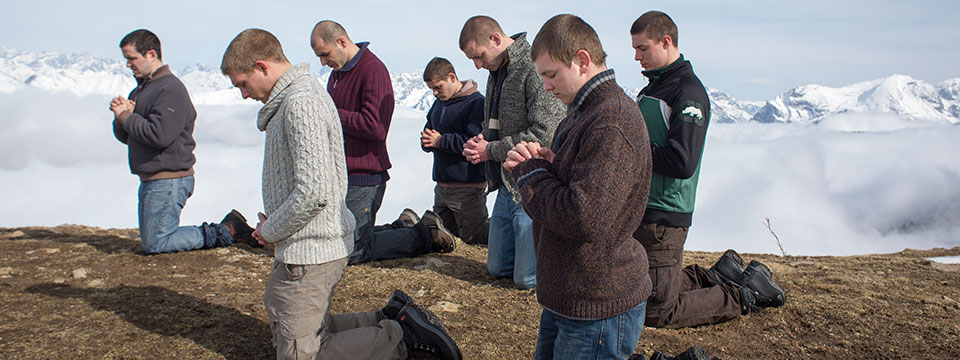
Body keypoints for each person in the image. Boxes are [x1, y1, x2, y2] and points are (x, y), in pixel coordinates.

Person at [220, 28, 461, 360]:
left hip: (312, 248)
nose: (244, 95)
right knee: (294, 329)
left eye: (242, 84)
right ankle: (389, 320)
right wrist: (275, 220)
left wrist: (271, 229)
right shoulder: (299, 96)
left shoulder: (301, 102)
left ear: (261, 67)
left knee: (300, 354)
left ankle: (402, 338)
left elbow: (314, 193)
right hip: (305, 243)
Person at [505, 14, 652, 359]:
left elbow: (585, 217)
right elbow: (582, 186)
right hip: (572, 295)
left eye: (551, 74)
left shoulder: (610, 120)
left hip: (597, 304)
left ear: (582, 61)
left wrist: (532, 173)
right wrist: (545, 164)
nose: (546, 87)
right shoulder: (583, 112)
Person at [629, 11, 785, 329]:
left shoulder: (688, 92)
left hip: (664, 215)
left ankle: (744, 293)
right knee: (636, 291)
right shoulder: (655, 87)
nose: (636, 56)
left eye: (642, 48)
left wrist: (628, 154)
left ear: (666, 41)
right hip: (645, 208)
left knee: (656, 312)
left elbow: (682, 161)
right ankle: (715, 275)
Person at [310, 20, 455, 265]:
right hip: (341, 173)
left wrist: (331, 113)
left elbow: (375, 126)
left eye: (324, 54)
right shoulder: (336, 75)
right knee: (340, 240)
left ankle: (425, 235)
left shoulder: (373, 70)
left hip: (364, 175)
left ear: (342, 42)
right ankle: (404, 226)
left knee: (352, 251)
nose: (323, 62)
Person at [109, 29, 256, 255]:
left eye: (131, 58)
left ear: (151, 54)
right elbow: (129, 137)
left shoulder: (169, 89)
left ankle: (229, 230)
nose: (128, 65)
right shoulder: (141, 90)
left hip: (169, 178)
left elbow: (160, 135)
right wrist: (121, 119)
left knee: (157, 242)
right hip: (154, 178)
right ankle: (228, 228)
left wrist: (126, 117)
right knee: (154, 240)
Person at [458, 15, 565, 289]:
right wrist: (482, 139)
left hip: (532, 181)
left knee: (525, 280)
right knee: (496, 270)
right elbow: (495, 123)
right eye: (472, 60)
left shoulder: (531, 66)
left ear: (496, 39)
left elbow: (544, 133)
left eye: (479, 56)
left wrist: (489, 150)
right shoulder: (497, 71)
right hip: (506, 182)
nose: (477, 65)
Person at [420, 57, 489, 245]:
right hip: (442, 186)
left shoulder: (477, 103)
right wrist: (427, 142)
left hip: (467, 187)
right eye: (431, 89)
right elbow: (430, 132)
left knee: (475, 239)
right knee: (444, 239)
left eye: (438, 87)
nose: (435, 93)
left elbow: (474, 142)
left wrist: (440, 141)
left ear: (451, 77)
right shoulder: (439, 103)